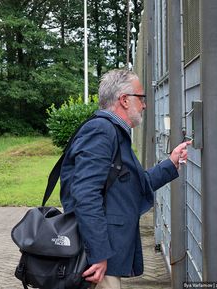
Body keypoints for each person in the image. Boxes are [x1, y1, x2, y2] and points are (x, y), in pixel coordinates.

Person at [60, 69, 191, 289]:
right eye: (141, 98)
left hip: (107, 254)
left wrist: (171, 163)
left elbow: (130, 186)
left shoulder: (112, 131)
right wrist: (99, 254)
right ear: (124, 100)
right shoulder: (102, 131)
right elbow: (85, 194)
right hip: (100, 259)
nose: (145, 105)